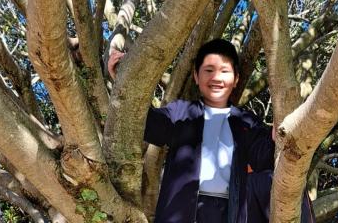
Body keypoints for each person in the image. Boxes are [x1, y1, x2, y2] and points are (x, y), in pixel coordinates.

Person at [108, 39, 315, 223]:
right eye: (208, 70)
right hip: (184, 211)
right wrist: (127, 83)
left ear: (235, 79)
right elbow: (149, 124)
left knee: (283, 181)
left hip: (230, 211)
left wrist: (281, 135)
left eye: (224, 71)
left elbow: (266, 156)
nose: (216, 77)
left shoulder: (246, 122)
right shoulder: (181, 113)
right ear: (196, 77)